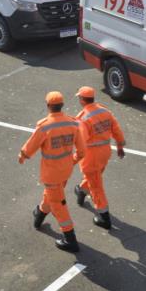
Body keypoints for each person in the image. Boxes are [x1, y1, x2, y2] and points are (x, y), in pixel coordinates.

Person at [19, 91, 86, 253]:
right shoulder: (73, 123)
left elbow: (31, 146)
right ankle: (40, 214)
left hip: (51, 173)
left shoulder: (45, 126)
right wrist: (72, 161)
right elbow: (82, 151)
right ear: (62, 105)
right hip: (66, 170)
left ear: (48, 106)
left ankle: (70, 239)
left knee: (58, 204)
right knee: (52, 195)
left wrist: (23, 155)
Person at [73, 86, 125, 229]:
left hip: (91, 156)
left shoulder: (83, 118)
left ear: (82, 100)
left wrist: (72, 160)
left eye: (79, 98)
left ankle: (104, 218)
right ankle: (81, 190)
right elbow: (116, 129)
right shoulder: (104, 110)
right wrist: (120, 146)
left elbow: (81, 143)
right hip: (104, 153)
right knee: (94, 178)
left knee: (96, 186)